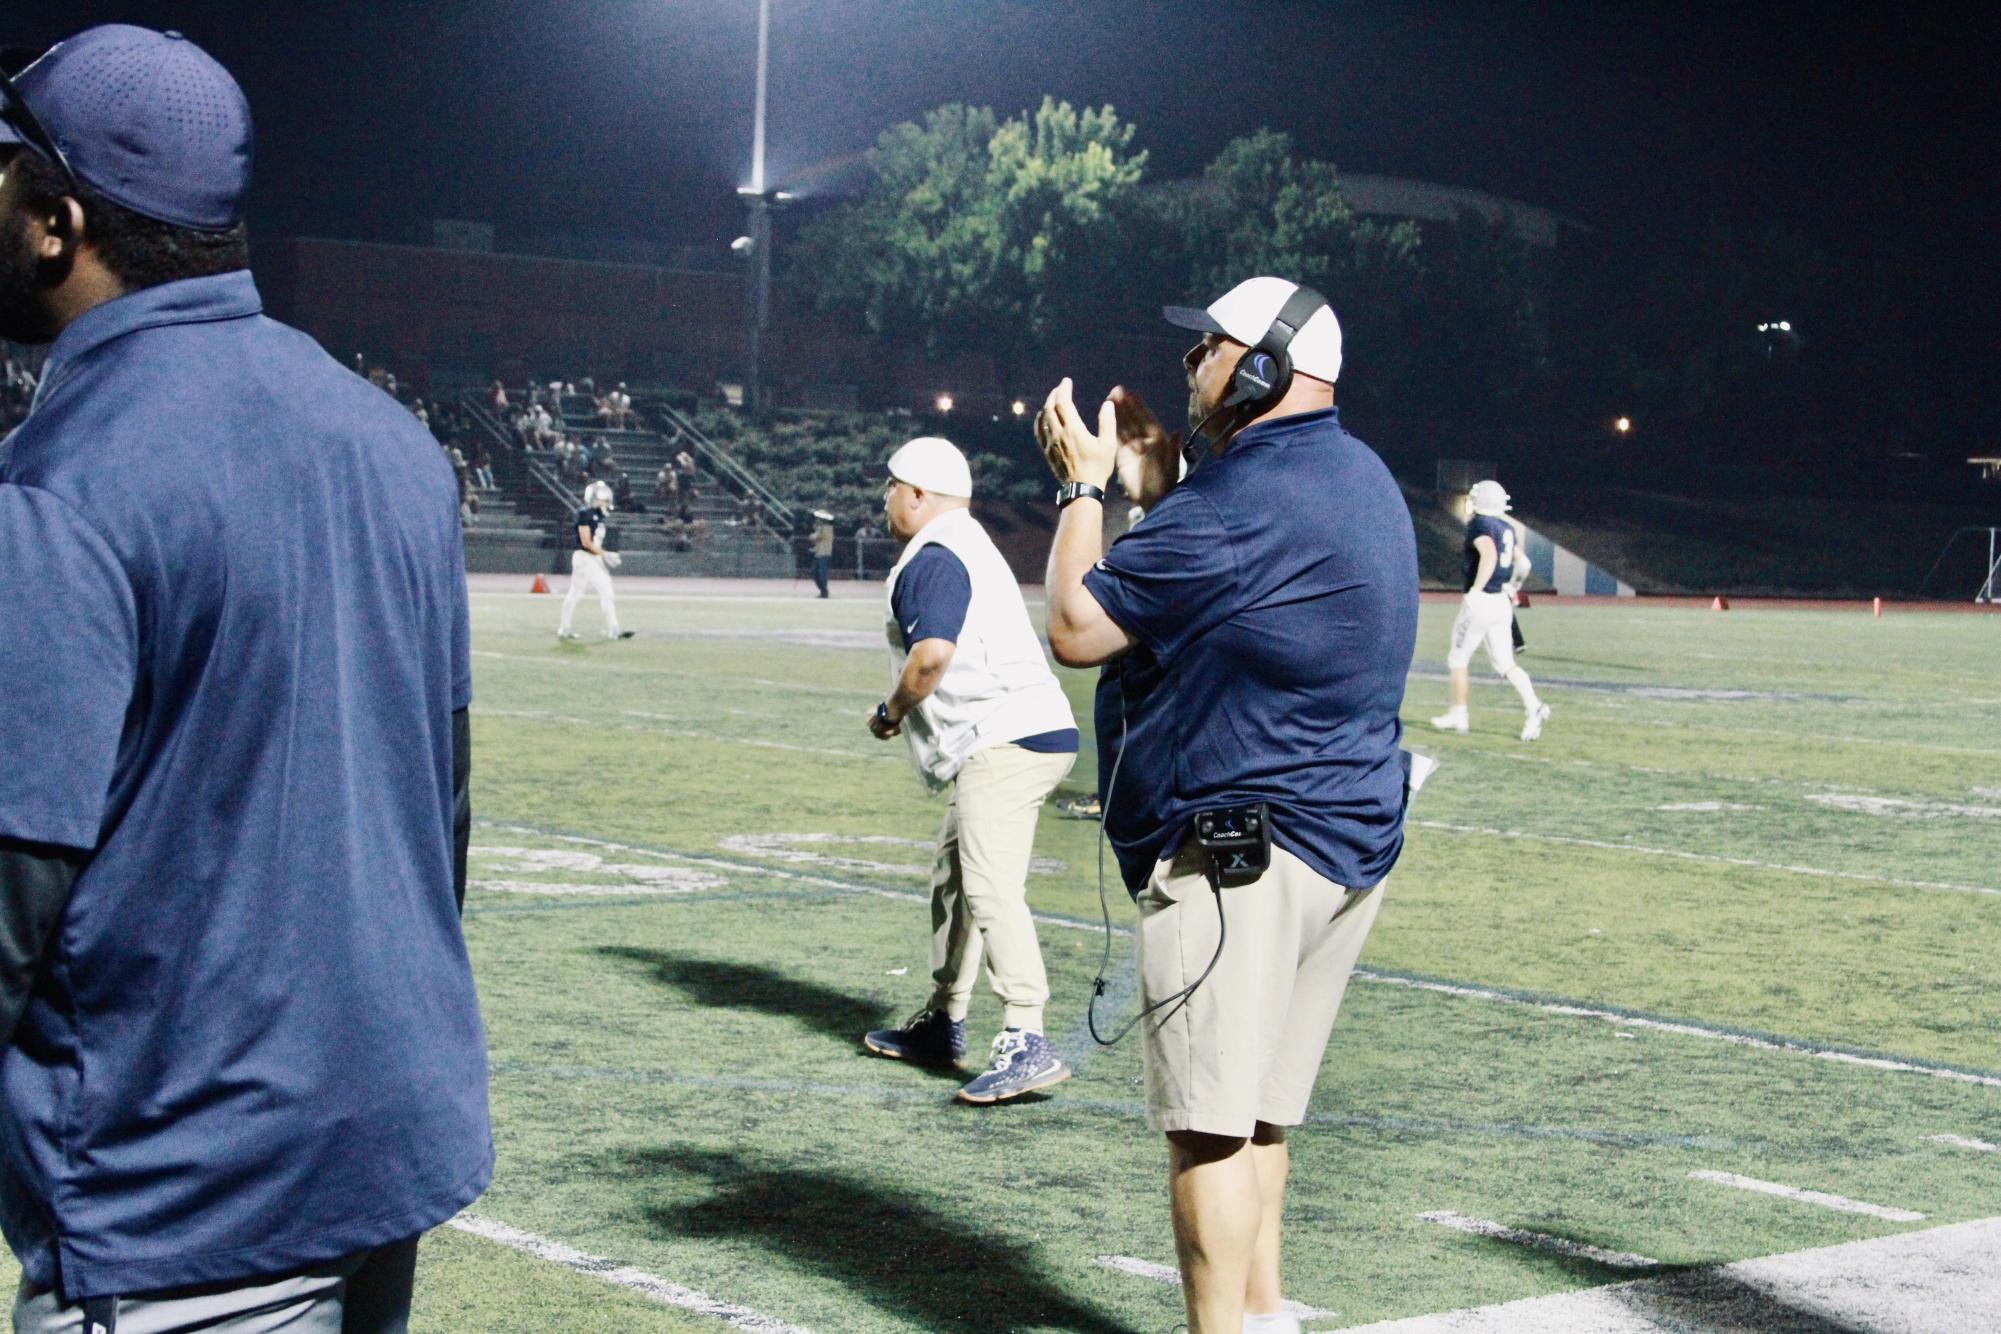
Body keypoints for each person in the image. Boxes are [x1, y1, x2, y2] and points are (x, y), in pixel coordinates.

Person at [0, 26, 490, 1329]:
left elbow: (13, 881)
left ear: (56, 219)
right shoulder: (391, 446)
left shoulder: (68, 478)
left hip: (178, 1200)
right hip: (380, 1157)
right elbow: (435, 825)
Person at [1037, 277, 1417, 1333]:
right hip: (1344, 841)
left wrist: (1085, 488)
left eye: (1207, 346)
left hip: (1239, 856)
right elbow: (1243, 596)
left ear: (1263, 366)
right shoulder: (1361, 475)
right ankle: (1262, 1319)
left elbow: (1076, 624)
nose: (1188, 364)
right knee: (1257, 1115)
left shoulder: (1240, 500)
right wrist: (1165, 487)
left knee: (1207, 1126)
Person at [862, 437, 1081, 1105]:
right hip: (1018, 731)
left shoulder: (934, 555)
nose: (886, 498)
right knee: (956, 880)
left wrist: (891, 710)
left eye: (893, 486)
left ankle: (1027, 1033)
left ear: (919, 495)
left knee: (987, 886)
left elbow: (930, 657)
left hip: (1004, 739)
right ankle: (943, 1018)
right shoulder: (964, 540)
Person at [1429, 480, 1549, 740]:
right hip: (1501, 603)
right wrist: (1513, 586)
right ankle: (1534, 707)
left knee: (1458, 659)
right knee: (1506, 663)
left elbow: (1489, 556)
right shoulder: (1506, 526)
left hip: (1482, 601)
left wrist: (1475, 590)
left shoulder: (1480, 525)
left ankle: (1458, 714)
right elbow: (1524, 563)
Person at [558, 478, 634, 641]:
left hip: (590, 557)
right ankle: (614, 629)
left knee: (576, 593)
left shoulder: (597, 517)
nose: (605, 501)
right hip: (585, 557)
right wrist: (604, 554)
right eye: (602, 498)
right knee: (605, 591)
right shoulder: (585, 514)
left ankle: (564, 628)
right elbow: (586, 542)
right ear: (593, 498)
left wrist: (602, 555)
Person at [810, 508, 835, 597]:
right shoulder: (821, 528)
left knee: (822, 573)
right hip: (819, 553)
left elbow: (815, 537)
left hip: (824, 554)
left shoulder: (827, 528)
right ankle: (823, 590)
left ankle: (824, 591)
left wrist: (814, 533)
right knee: (814, 572)